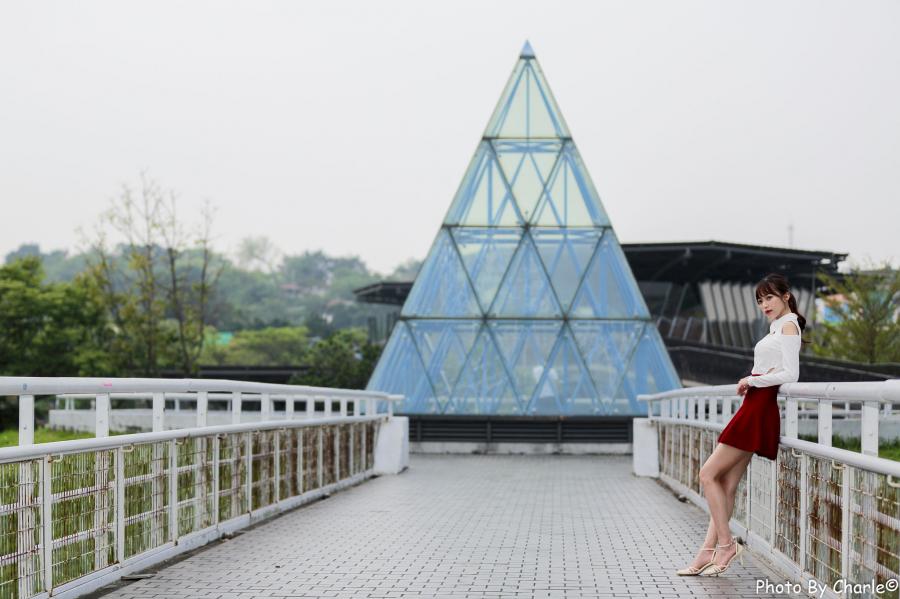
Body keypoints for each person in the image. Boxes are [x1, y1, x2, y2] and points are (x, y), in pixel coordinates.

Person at [675, 273, 806, 576]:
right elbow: (773, 368)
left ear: (786, 296)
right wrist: (756, 379)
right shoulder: (777, 327)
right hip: (754, 405)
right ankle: (705, 554)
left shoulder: (789, 325)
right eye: (760, 300)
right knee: (727, 484)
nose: (764, 305)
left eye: (770, 297)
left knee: (707, 474)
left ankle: (725, 545)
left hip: (758, 408)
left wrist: (752, 378)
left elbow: (791, 374)